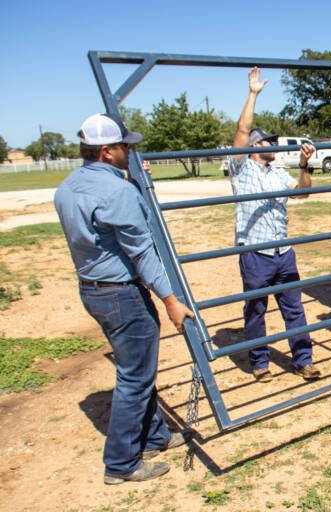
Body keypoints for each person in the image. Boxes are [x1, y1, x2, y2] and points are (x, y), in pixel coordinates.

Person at [54, 113, 195, 484]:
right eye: (125, 146)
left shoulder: (68, 186)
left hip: (93, 288)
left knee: (138, 369)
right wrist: (169, 299)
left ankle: (154, 437)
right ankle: (121, 464)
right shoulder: (117, 191)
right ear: (107, 152)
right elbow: (142, 252)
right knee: (135, 376)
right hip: (123, 293)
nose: (130, 150)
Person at [230, 66, 321, 383]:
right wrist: (253, 94)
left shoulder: (278, 173)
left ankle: (304, 360)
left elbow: (303, 194)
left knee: (294, 308)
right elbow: (242, 131)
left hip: (283, 250)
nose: (274, 145)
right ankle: (259, 362)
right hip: (255, 252)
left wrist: (304, 164)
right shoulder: (241, 168)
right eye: (268, 141)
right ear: (255, 146)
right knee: (256, 308)